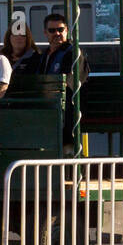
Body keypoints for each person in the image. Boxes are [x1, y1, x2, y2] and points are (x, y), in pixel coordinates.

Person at [38, 13, 89, 153]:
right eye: (52, 30)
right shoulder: (43, 56)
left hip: (69, 107)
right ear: (45, 33)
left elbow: (70, 83)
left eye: (61, 30)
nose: (57, 33)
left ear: (67, 30)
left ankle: (71, 160)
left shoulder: (73, 53)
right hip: (47, 105)